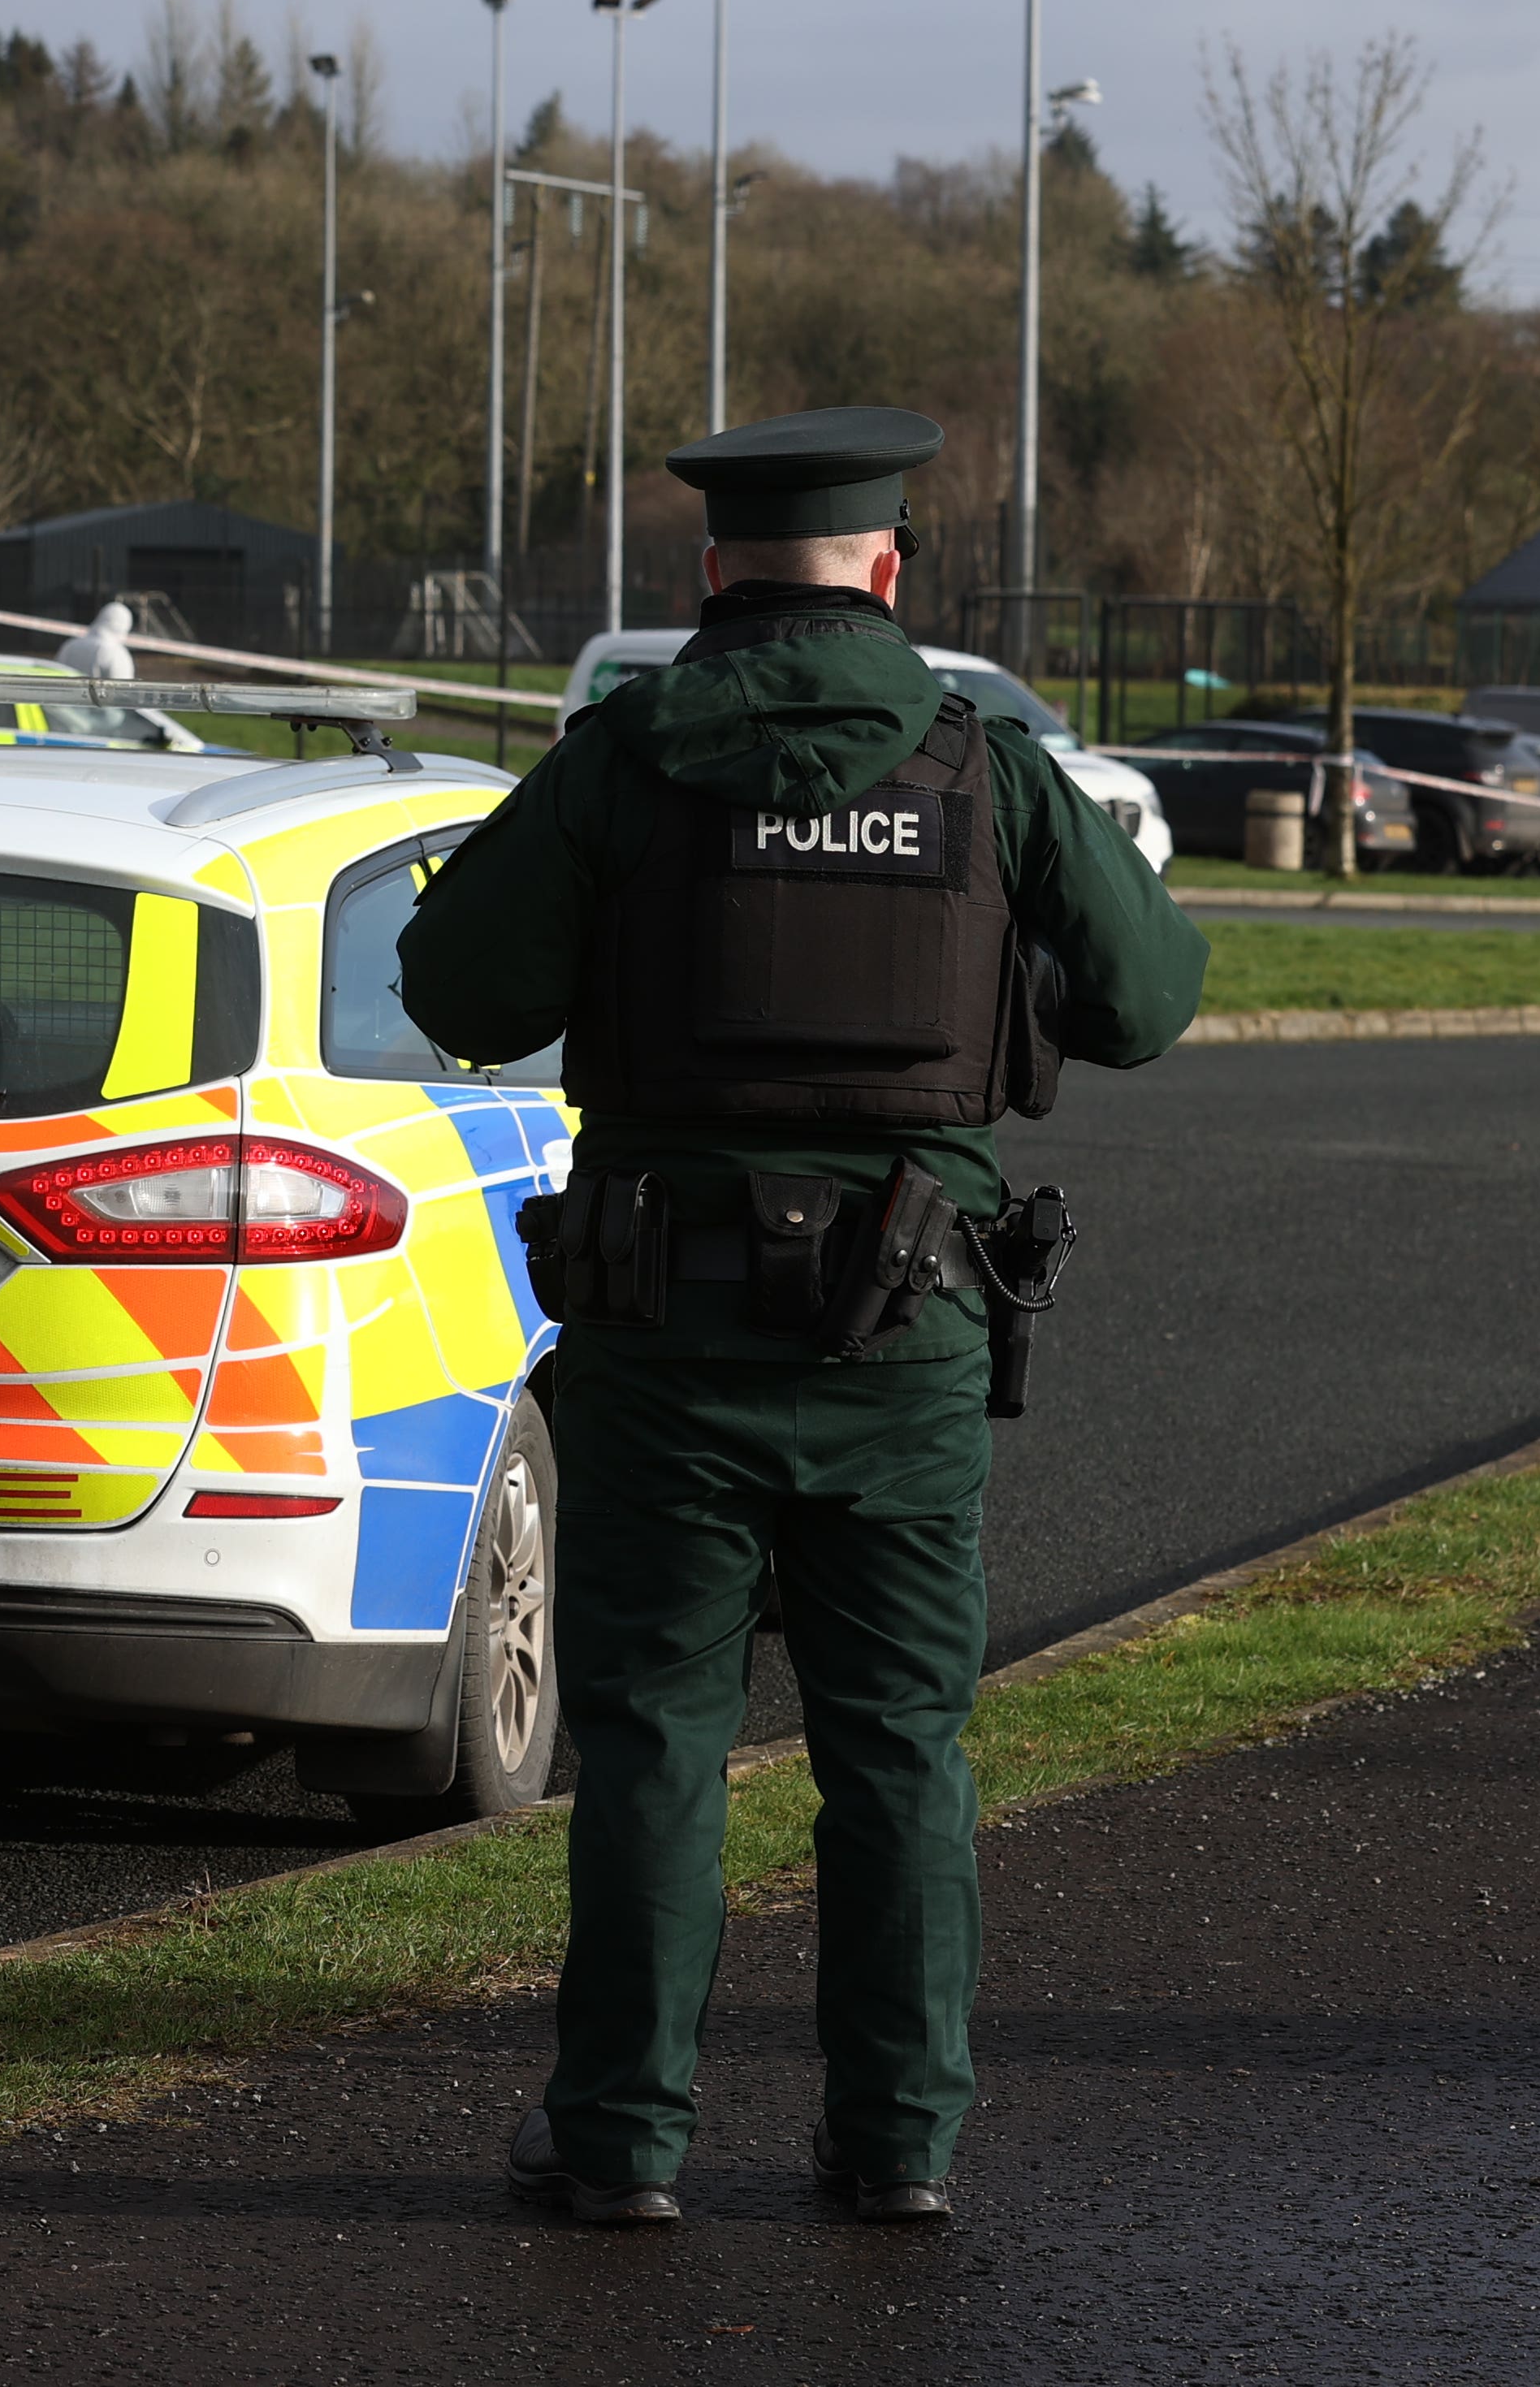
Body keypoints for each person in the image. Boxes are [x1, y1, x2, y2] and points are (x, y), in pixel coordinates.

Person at [396, 405, 1208, 2228]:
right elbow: (1149, 995)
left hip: (662, 1338)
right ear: (888, 570)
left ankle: (617, 2142)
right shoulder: (980, 763)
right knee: (898, 1747)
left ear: (710, 572)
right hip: (905, 1331)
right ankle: (897, 2143)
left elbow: (452, 986)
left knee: (657, 1736)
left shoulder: (623, 757)